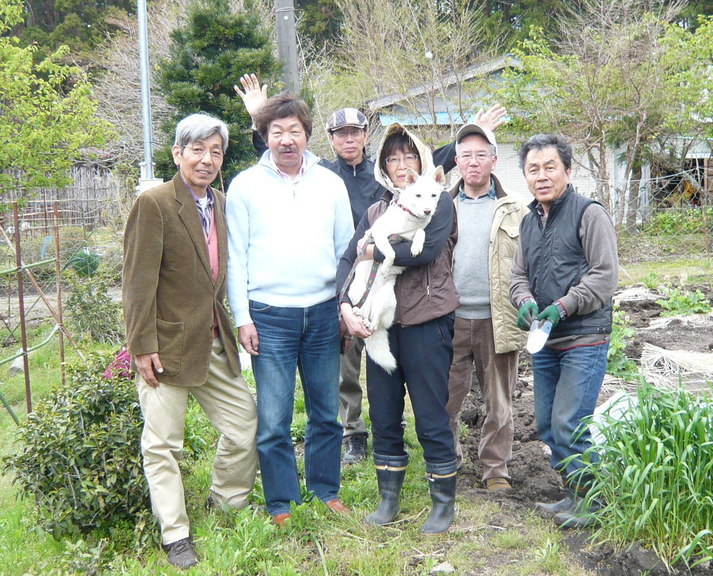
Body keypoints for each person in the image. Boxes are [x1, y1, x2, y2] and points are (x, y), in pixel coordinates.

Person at [235, 73, 507, 465]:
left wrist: (471, 134)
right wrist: (259, 117)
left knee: (389, 369)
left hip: (392, 285)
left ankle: (404, 438)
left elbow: (422, 167)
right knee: (346, 370)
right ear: (330, 139)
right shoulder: (325, 174)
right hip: (348, 283)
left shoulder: (386, 179)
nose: (348, 140)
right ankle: (353, 433)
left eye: (355, 132)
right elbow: (283, 153)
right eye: (340, 134)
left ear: (365, 135)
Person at [122, 113, 258, 569]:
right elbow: (137, 282)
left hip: (213, 338)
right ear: (177, 153)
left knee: (244, 425)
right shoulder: (155, 203)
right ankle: (175, 534)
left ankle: (226, 501)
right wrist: (141, 345)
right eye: (197, 150)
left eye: (215, 152)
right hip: (164, 346)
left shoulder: (221, 202)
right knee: (163, 444)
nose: (206, 160)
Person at [226, 92, 354, 526]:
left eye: (294, 131)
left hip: (322, 313)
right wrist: (242, 317)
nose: (286, 139)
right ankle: (280, 501)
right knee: (274, 418)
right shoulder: (245, 185)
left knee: (326, 412)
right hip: (269, 315)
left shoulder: (329, 183)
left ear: (306, 135)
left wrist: (344, 308)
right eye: (276, 131)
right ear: (264, 136)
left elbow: (347, 252)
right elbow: (236, 257)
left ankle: (325, 490)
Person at [337, 123, 459, 534]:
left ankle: (443, 503)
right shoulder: (377, 211)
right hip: (381, 323)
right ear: (383, 167)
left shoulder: (439, 202)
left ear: (422, 160)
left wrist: (373, 250)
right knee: (384, 415)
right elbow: (348, 258)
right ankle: (388, 498)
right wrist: (344, 305)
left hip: (427, 322)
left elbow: (423, 254)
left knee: (430, 414)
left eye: (409, 156)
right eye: (392, 158)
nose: (401, 164)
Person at [509, 133, 618, 529]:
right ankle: (573, 492)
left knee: (570, 423)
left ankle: (594, 501)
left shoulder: (589, 214)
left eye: (549, 167)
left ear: (567, 171)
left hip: (584, 337)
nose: (541, 176)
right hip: (546, 339)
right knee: (547, 424)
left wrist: (563, 306)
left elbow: (604, 276)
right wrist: (524, 300)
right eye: (533, 169)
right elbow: (517, 276)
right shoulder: (528, 222)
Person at [445, 123, 528, 492]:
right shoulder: (441, 206)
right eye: (466, 155)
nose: (473, 162)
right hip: (450, 320)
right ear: (456, 161)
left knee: (499, 401)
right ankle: (446, 461)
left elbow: (529, 263)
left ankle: (495, 468)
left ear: (494, 161)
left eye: (481, 155)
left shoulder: (515, 209)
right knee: (446, 398)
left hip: (498, 319)